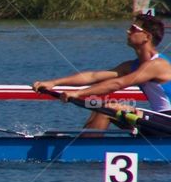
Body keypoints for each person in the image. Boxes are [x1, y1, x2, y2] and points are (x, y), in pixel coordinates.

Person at [32, 13, 171, 130]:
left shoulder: (157, 65)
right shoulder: (132, 66)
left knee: (108, 109)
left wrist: (78, 93)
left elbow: (117, 84)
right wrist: (53, 83)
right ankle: (85, 143)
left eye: (133, 28)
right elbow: (93, 76)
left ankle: (88, 150)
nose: (128, 31)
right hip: (160, 120)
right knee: (100, 107)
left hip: (167, 118)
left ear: (146, 36)